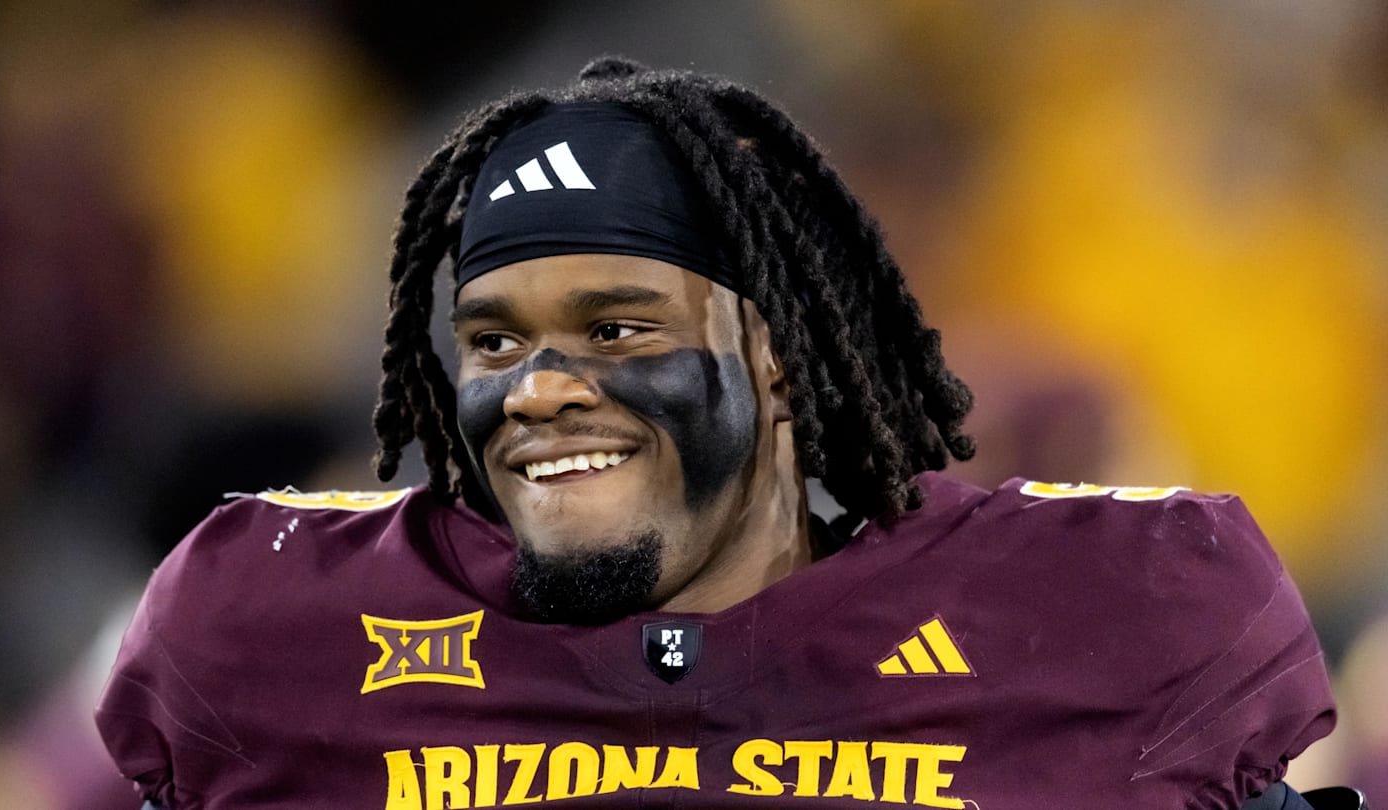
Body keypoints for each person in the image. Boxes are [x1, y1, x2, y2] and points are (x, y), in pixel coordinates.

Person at [96, 57, 1339, 809]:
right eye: (494, 342)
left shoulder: (1100, 621)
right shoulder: (285, 636)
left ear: (779, 356)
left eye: (618, 329)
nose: (538, 390)